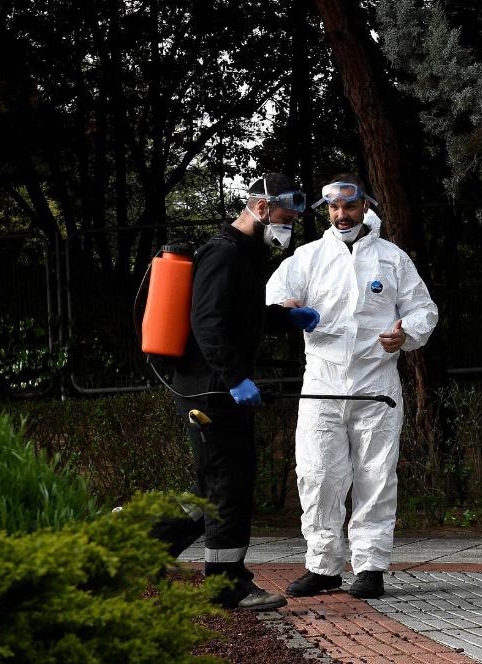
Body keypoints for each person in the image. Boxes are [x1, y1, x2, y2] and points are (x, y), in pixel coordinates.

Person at [150, 173, 320, 611]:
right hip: (210, 392)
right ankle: (228, 586)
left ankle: (140, 550)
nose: (290, 224)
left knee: (214, 482)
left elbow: (239, 315)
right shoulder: (224, 254)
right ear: (262, 208)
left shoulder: (246, 254)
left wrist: (286, 319)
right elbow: (207, 323)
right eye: (286, 215)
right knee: (229, 484)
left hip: (214, 389)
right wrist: (233, 379)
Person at [265, 174, 438, 600]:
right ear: (327, 211)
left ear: (365, 207)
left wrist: (406, 334)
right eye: (334, 208)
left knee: (375, 477)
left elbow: (423, 310)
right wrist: (287, 309)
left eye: (350, 207)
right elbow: (275, 294)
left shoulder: (391, 259)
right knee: (319, 476)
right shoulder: (307, 257)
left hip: (375, 384)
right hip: (322, 383)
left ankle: (370, 566)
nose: (342, 215)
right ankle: (322, 566)